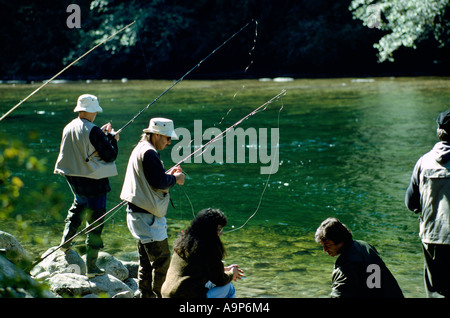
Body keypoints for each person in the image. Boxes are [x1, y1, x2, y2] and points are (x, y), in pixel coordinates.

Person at [54, 94, 119, 278]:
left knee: (78, 207)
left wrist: (103, 136)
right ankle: (91, 267)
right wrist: (112, 139)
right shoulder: (94, 130)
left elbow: (83, 147)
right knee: (96, 220)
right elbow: (110, 155)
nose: (96, 115)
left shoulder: (68, 127)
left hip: (74, 178)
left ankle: (65, 243)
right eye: (95, 111)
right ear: (91, 111)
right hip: (93, 181)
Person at [120, 117, 185, 298]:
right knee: (162, 262)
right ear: (156, 134)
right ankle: (160, 295)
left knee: (146, 262)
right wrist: (176, 179)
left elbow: (152, 178)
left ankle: (145, 295)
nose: (169, 142)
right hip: (147, 218)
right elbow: (158, 182)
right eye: (167, 138)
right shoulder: (149, 153)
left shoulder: (141, 148)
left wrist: (167, 175)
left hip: (139, 215)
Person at [405, 109, 450, 298]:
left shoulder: (423, 161)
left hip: (431, 236)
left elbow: (410, 202)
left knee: (435, 291)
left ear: (438, 130)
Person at [161, 208, 244, 298]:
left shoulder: (185, 242)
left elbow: (195, 270)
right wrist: (232, 273)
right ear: (210, 230)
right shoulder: (209, 247)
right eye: (219, 229)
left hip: (167, 293)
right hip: (184, 295)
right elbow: (220, 280)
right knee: (229, 288)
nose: (221, 233)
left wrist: (224, 269)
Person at [315, 217, 404, 298]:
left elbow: (339, 296)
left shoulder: (346, 265)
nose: (324, 250)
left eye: (327, 245)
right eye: (322, 245)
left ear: (340, 241)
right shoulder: (365, 247)